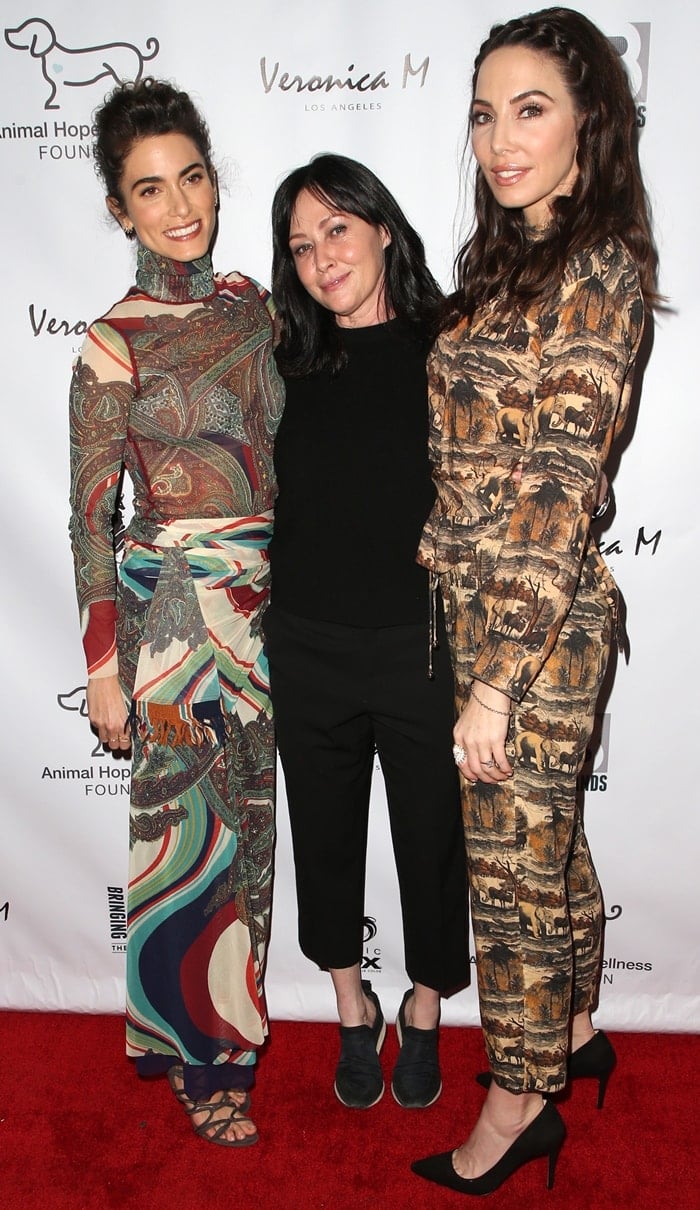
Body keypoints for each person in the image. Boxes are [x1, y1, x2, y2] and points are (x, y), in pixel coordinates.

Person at [411, 7, 658, 1195]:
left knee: (508, 883)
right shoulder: (514, 254)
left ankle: (516, 1106)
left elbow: (558, 486)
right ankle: (569, 1032)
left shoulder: (598, 268)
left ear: (587, 123)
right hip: (489, 613)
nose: (498, 140)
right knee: (546, 855)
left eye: (530, 109)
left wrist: (498, 679)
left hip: (534, 630)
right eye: (481, 112)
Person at [68, 78, 284, 1147]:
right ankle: (207, 1059)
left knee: (247, 840)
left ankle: (191, 1033)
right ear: (121, 209)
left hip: (263, 612)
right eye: (149, 189)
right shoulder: (112, 344)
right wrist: (104, 665)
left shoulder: (254, 313)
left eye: (191, 176)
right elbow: (89, 517)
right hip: (168, 622)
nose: (179, 203)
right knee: (185, 841)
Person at [265, 153, 469, 1110]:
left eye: (337, 229)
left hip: (421, 648)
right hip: (306, 645)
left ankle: (425, 1006)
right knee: (326, 834)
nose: (320, 258)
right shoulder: (285, 358)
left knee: (433, 839)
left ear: (384, 226)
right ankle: (352, 1006)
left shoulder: (454, 343)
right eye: (301, 245)